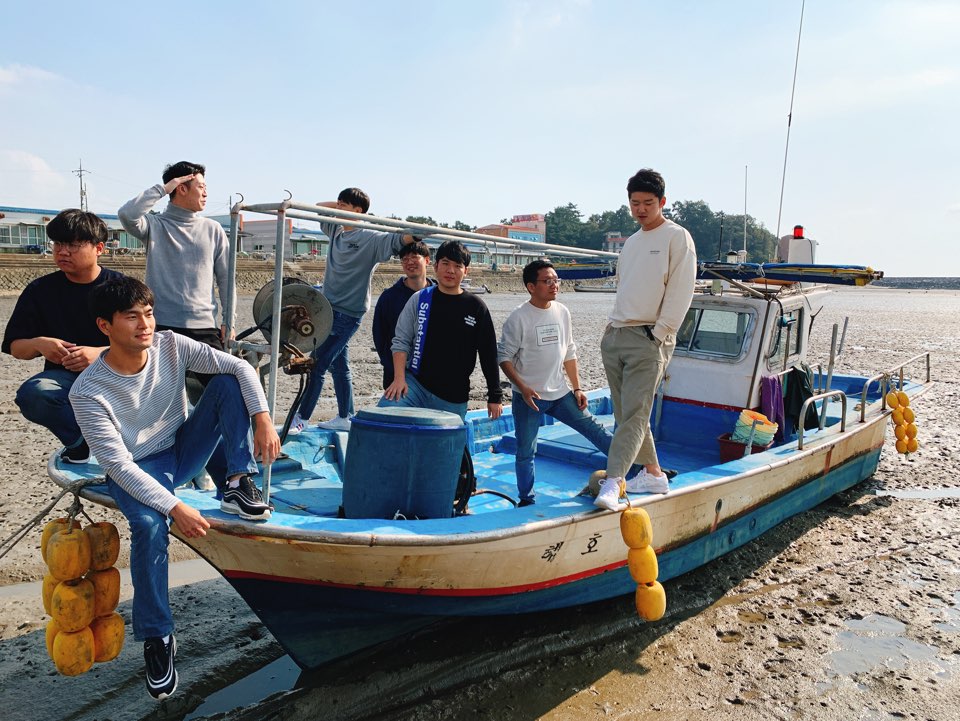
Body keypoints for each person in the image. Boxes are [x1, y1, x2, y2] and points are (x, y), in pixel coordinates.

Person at [69, 277, 281, 700]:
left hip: (181, 447)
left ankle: (236, 482)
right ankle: (158, 636)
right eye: (132, 317)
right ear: (105, 326)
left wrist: (262, 418)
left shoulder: (171, 345)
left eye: (149, 314)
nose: (145, 324)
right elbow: (118, 466)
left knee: (226, 382)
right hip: (136, 468)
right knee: (150, 526)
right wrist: (175, 508)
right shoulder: (88, 391)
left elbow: (241, 367)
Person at [594, 168, 697, 511]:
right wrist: (611, 330)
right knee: (626, 413)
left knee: (635, 414)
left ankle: (614, 481)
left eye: (648, 203)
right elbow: (626, 287)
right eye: (635, 203)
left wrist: (659, 334)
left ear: (663, 202)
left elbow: (681, 291)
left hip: (648, 336)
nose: (640, 209)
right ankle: (653, 474)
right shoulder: (632, 242)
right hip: (617, 334)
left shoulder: (677, 237)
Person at [290, 188, 417, 432]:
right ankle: (346, 417)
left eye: (343, 205)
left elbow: (398, 240)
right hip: (327, 310)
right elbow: (319, 206)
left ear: (358, 211)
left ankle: (302, 418)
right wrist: (342, 206)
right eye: (337, 204)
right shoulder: (336, 230)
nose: (337, 208)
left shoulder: (370, 237)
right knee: (340, 367)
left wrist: (417, 233)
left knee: (317, 364)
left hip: (348, 314)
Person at [2, 209, 124, 463]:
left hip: (120, 375)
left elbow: (148, 343)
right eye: (58, 244)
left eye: (73, 245)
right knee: (34, 394)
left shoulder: (121, 289)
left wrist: (101, 354)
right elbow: (15, 347)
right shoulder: (40, 290)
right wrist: (39, 344)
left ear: (99, 248)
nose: (63, 251)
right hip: (65, 379)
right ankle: (81, 444)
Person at [498, 259, 613, 506]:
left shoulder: (562, 312)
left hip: (560, 393)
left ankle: (633, 469)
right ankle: (526, 499)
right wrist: (522, 387)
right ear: (531, 286)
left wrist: (577, 387)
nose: (554, 285)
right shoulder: (518, 318)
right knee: (526, 451)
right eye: (547, 281)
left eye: (556, 280)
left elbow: (569, 351)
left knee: (594, 429)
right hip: (530, 398)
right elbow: (504, 357)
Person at [117, 161, 233, 378]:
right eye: (201, 187)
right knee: (160, 392)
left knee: (224, 384)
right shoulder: (154, 225)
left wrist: (229, 320)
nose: (206, 193)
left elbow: (226, 279)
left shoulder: (213, 229)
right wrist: (163, 189)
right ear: (181, 188)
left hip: (204, 327)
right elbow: (126, 214)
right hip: (161, 328)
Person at [381, 240, 502, 422]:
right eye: (445, 263)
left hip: (453, 396)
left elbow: (488, 353)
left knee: (447, 439)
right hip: (415, 386)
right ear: (436, 266)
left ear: (466, 271)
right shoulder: (420, 299)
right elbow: (401, 341)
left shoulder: (476, 307)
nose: (450, 270)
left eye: (457, 266)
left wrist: (495, 396)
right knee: (382, 417)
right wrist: (399, 379)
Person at [371, 241, 435, 389]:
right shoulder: (389, 297)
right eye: (405, 259)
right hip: (396, 374)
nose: (409, 262)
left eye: (414, 257)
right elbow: (380, 335)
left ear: (427, 260)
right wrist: (391, 366)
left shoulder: (439, 295)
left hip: (432, 375)